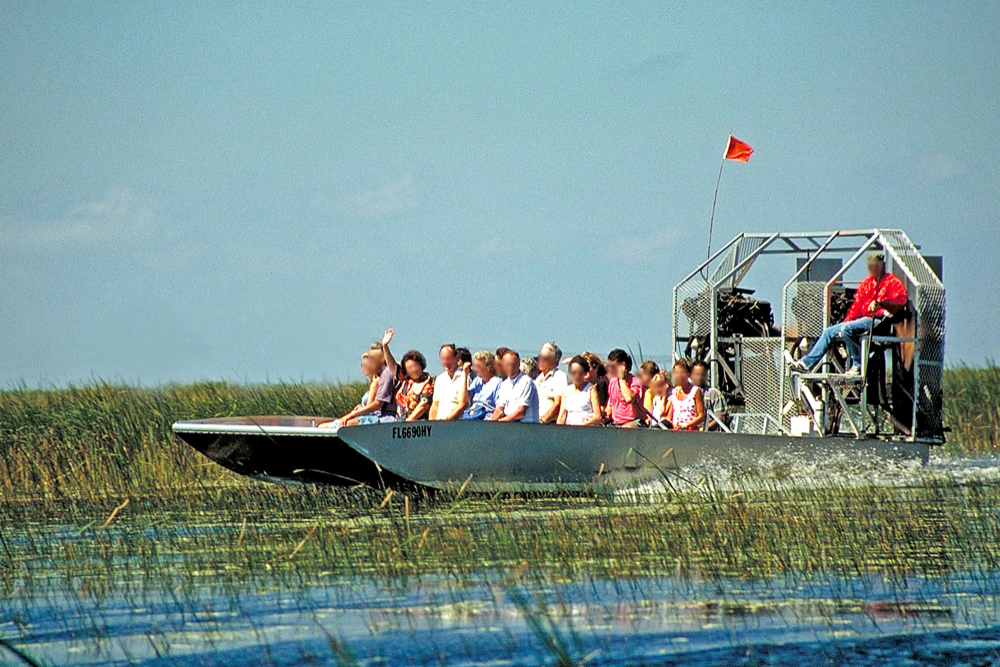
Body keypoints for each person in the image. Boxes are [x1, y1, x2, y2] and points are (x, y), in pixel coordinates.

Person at [790, 251, 908, 376]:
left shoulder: (892, 283)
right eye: (871, 266)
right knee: (828, 331)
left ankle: (858, 364)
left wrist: (882, 303)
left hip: (879, 321)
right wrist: (845, 322)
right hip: (863, 319)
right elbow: (856, 307)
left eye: (876, 265)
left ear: (882, 266)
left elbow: (900, 302)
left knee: (847, 329)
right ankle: (806, 364)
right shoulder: (866, 284)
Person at [338, 331, 400, 426]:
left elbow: (377, 404)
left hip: (384, 418)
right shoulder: (379, 375)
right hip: (374, 416)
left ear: (381, 360)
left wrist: (352, 415)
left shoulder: (387, 374)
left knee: (344, 425)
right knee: (323, 426)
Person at [489, 350, 539, 422]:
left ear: (519, 364)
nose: (511, 367)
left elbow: (521, 412)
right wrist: (490, 422)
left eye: (514, 365)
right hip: (510, 425)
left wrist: (501, 422)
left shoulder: (526, 382)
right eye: (508, 365)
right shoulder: (504, 384)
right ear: (503, 365)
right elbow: (499, 409)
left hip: (527, 426)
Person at [604, 349, 646, 427]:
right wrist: (603, 416)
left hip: (634, 421)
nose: (610, 369)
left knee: (625, 429)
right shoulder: (613, 382)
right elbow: (610, 406)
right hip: (616, 423)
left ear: (623, 366)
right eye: (609, 366)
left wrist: (622, 379)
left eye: (613, 366)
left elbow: (629, 398)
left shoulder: (636, 382)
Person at [556, 355, 602, 426]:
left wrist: (580, 426)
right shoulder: (566, 391)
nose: (576, 376)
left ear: (585, 373)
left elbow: (598, 417)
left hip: (586, 430)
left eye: (580, 373)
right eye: (573, 373)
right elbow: (562, 416)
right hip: (569, 430)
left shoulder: (591, 389)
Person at [393, 349, 434, 421]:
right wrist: (385, 346)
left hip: (417, 424)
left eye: (415, 366)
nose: (414, 370)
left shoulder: (428, 381)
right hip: (400, 421)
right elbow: (392, 366)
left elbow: (424, 405)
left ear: (421, 365)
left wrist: (409, 420)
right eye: (410, 368)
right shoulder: (406, 381)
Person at [430, 344, 468, 421]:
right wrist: (431, 421)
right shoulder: (440, 379)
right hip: (439, 423)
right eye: (443, 359)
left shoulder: (464, 376)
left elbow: (463, 404)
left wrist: (447, 420)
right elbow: (435, 404)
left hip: (457, 423)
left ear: (457, 358)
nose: (445, 362)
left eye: (448, 359)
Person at [665, 359, 705, 431]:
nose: (679, 376)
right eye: (677, 373)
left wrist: (686, 425)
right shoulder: (674, 392)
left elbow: (701, 416)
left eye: (682, 372)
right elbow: (670, 416)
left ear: (689, 374)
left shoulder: (695, 391)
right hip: (676, 432)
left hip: (690, 433)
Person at [535, 341, 569, 423]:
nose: (541, 360)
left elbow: (559, 403)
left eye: (545, 358)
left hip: (548, 424)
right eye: (540, 357)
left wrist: (543, 420)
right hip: (536, 423)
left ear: (554, 360)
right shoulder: (538, 378)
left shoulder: (559, 376)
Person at [690, 361, 728, 430]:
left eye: (703, 374)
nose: (700, 377)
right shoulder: (685, 393)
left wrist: (705, 429)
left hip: (708, 433)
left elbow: (720, 417)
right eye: (697, 374)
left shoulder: (714, 393)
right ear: (690, 375)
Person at [465, 350, 502, 419]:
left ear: (488, 367)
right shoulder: (477, 381)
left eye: (478, 366)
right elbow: (466, 399)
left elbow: (499, 409)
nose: (474, 369)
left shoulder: (497, 383)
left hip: (485, 419)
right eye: (474, 366)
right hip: (472, 417)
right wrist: (465, 376)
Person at [582, 351, 610, 419]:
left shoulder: (601, 384)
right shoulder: (578, 385)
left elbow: (602, 408)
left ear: (596, 368)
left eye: (588, 367)